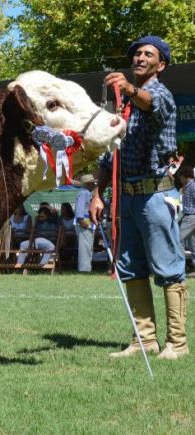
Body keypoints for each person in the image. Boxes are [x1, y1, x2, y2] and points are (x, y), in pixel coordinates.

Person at [90, 35, 188, 360]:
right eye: (137, 54)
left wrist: (130, 89)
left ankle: (178, 343)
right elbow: (110, 154)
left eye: (149, 54)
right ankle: (144, 341)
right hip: (127, 198)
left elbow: (153, 105)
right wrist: (97, 193)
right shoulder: (124, 106)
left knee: (168, 268)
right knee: (131, 268)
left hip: (157, 196)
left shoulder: (160, 95)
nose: (140, 57)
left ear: (161, 64)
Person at [74, 174, 97, 272]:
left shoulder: (85, 192)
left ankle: (86, 268)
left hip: (85, 221)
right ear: (88, 184)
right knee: (85, 246)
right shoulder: (84, 193)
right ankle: (85, 269)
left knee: (87, 246)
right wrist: (81, 220)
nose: (94, 184)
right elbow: (80, 208)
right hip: (83, 221)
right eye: (93, 183)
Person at [176, 163, 195, 274]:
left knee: (177, 239)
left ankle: (179, 266)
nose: (180, 179)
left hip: (190, 217)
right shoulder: (187, 187)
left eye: (180, 176)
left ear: (184, 175)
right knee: (193, 244)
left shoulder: (192, 186)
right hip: (189, 217)